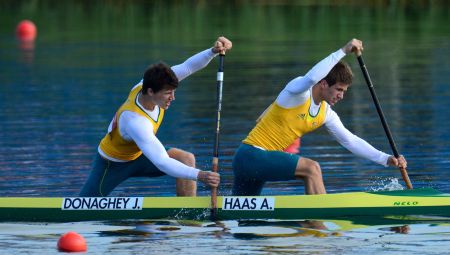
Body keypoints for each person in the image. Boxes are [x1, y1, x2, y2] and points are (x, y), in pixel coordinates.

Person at [232, 38, 407, 196]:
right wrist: (343, 51)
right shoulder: (298, 93)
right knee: (312, 168)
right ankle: (321, 226)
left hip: (256, 163)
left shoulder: (326, 113)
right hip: (250, 155)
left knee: (244, 218)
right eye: (339, 89)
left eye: (344, 91)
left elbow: (350, 140)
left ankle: (309, 228)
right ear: (323, 84)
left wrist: (385, 159)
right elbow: (310, 78)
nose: (341, 96)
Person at [80, 36, 232, 197]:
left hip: (140, 155)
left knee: (186, 158)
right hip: (111, 164)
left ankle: (188, 215)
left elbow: (188, 67)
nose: (172, 98)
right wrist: (201, 175)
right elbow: (161, 161)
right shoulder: (135, 121)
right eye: (168, 93)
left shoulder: (150, 85)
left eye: (174, 92)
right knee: (81, 208)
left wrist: (212, 52)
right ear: (151, 91)